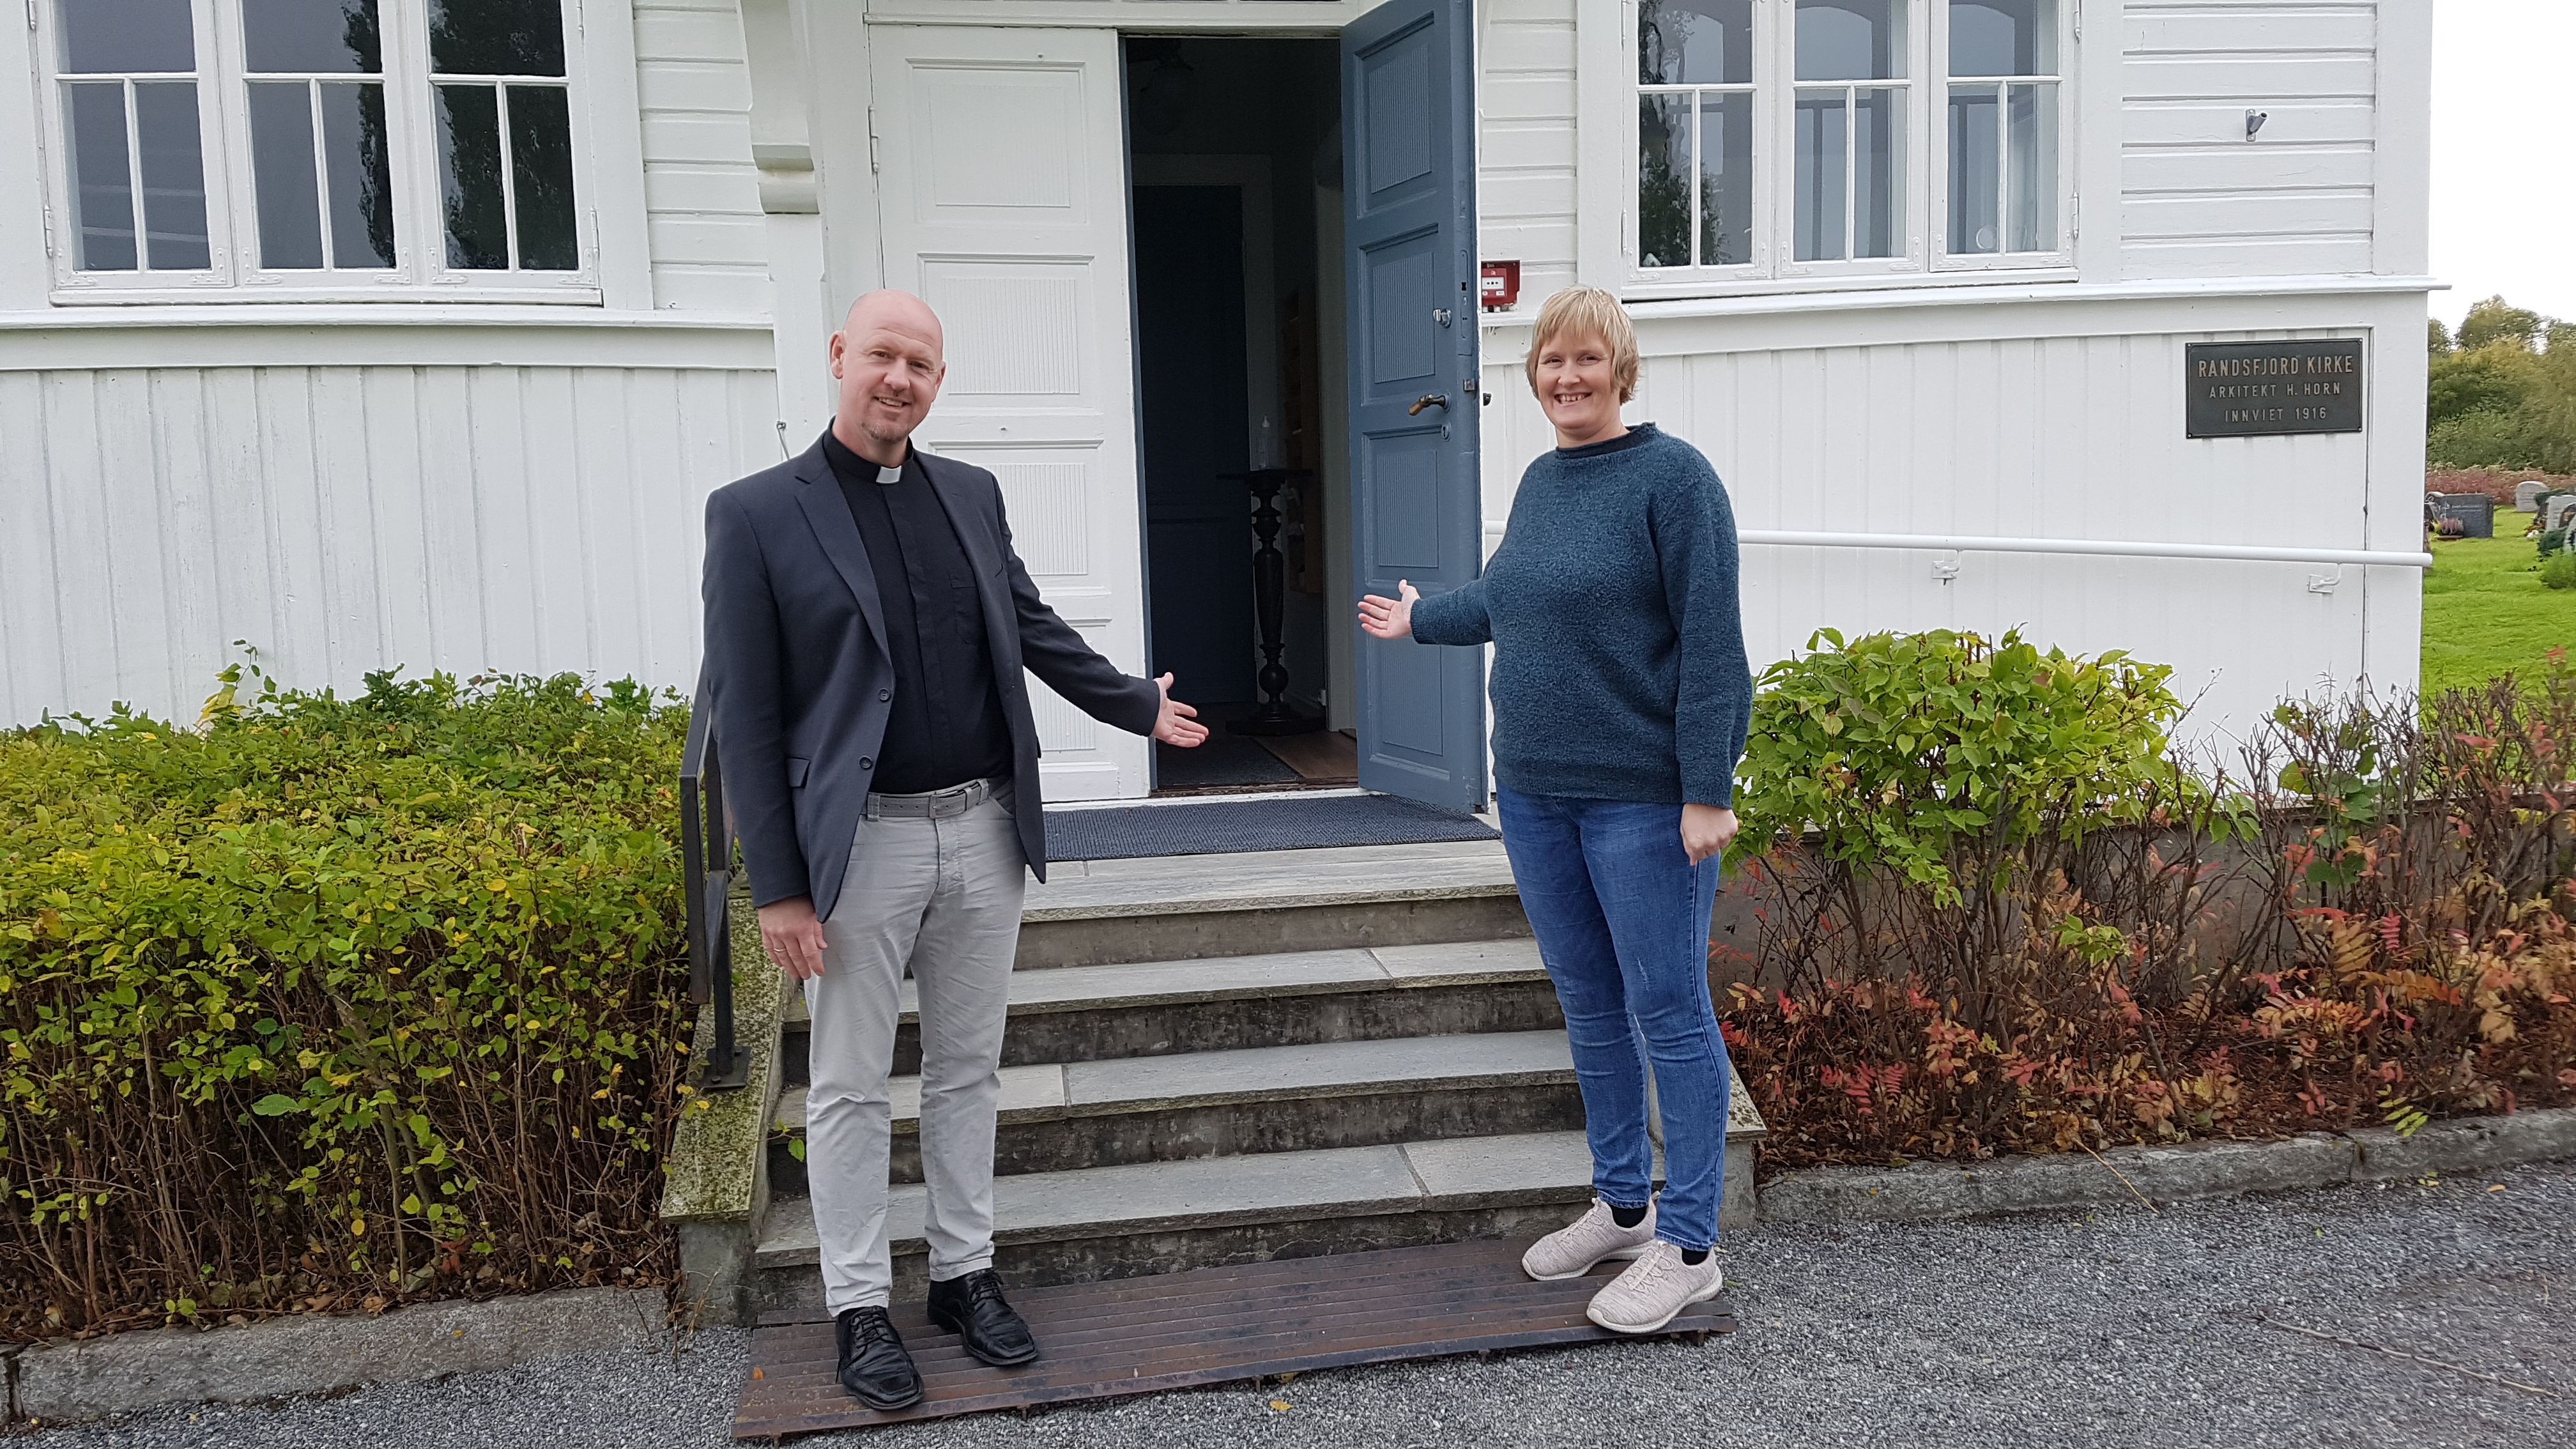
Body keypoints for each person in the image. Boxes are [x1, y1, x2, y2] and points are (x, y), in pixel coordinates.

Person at [702, 289, 1209, 1408]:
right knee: (847, 1087)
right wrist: (777, 888)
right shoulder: (754, 515)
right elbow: (747, 717)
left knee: (968, 1070)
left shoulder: (971, 494)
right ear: (841, 356)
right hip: (861, 848)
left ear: (938, 382)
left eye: (921, 365)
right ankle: (857, 1304)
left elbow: (1028, 626)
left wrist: (1133, 704)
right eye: (883, 356)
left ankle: (962, 1276)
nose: (900, 379)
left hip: (983, 829)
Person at [1358, 284, 1752, 1334]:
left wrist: (1706, 789)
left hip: (1642, 803)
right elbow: (1508, 597)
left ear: (1621, 369)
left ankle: (1691, 1244)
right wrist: (1421, 620)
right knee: (1588, 1004)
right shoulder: (1542, 481)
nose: (1568, 377)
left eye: (1587, 359)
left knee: (1671, 1012)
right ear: (1533, 375)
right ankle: (1623, 1206)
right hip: (1535, 795)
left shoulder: (1675, 480)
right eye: (1550, 361)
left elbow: (1715, 645)